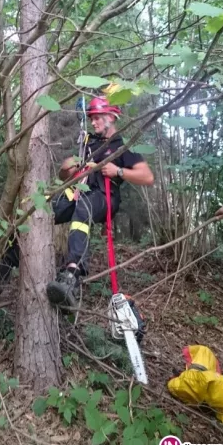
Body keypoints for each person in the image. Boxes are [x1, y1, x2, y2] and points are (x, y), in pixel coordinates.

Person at [45, 96, 155, 306]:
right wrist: (68, 168)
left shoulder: (122, 145)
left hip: (105, 196)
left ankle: (72, 275)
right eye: (92, 118)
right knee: (45, 211)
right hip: (81, 191)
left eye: (97, 118)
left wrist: (118, 171)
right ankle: (6, 264)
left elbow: (147, 177)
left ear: (111, 117)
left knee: (83, 209)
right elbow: (64, 176)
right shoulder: (89, 143)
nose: (93, 122)